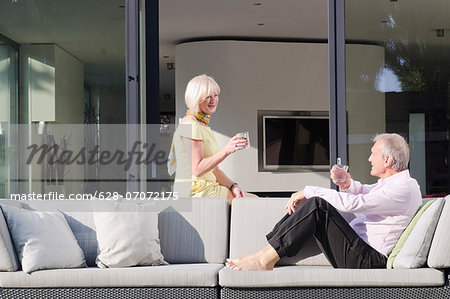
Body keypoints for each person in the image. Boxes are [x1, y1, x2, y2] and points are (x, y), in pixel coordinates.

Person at [226, 133, 422, 270]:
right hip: (360, 251)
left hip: (367, 259)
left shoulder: (403, 188)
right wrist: (347, 183)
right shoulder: (396, 184)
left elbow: (355, 204)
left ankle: (264, 258)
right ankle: (267, 253)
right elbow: (363, 192)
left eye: (373, 154)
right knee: (312, 206)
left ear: (387, 160)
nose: (369, 158)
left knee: (317, 205)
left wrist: (309, 190)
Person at [168, 74, 256, 203]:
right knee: (254, 201)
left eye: (215, 95)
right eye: (207, 97)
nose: (213, 100)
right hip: (198, 192)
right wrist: (227, 150)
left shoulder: (201, 125)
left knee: (249, 200)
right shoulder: (191, 125)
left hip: (207, 188)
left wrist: (233, 186)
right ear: (195, 99)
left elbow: (214, 170)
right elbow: (197, 170)